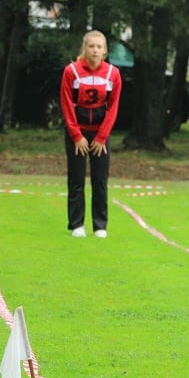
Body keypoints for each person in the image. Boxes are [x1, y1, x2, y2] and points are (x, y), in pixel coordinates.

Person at [60, 30, 122, 238]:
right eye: (91, 46)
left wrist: (102, 137)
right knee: (76, 179)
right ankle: (76, 224)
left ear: (105, 51)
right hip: (77, 133)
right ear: (84, 49)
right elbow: (67, 104)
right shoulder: (71, 71)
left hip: (99, 136)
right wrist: (76, 135)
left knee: (100, 180)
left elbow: (113, 108)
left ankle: (100, 226)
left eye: (99, 47)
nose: (95, 50)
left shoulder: (113, 74)